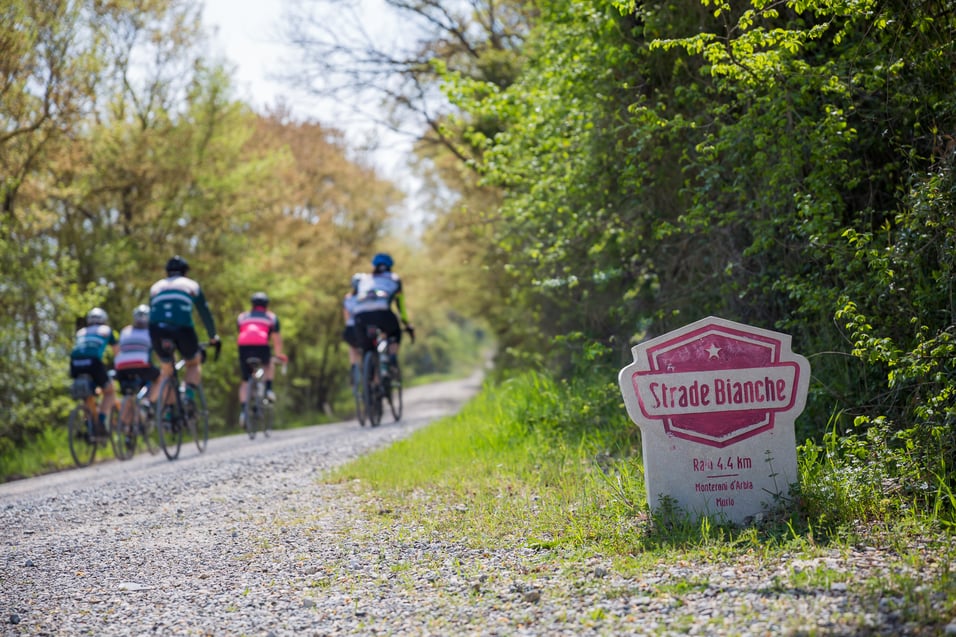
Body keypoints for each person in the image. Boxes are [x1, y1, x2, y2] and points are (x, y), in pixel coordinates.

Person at [145, 255, 219, 409]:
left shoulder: (155, 287)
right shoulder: (192, 285)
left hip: (156, 329)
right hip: (182, 328)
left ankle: (169, 412)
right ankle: (188, 395)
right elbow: (204, 313)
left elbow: (151, 312)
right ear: (185, 272)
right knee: (193, 362)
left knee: (167, 371)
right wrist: (212, 336)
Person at [351, 253, 414, 375]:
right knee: (395, 332)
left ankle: (370, 381)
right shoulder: (394, 278)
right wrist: (406, 323)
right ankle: (392, 357)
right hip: (383, 314)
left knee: (367, 347)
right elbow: (400, 305)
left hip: (360, 317)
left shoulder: (364, 279)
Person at [236, 291, 287, 426]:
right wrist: (278, 354)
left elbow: (241, 333)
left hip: (243, 347)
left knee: (245, 381)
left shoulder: (242, 317)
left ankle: (243, 411)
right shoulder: (271, 317)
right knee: (269, 363)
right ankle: (269, 389)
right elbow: (276, 340)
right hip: (261, 346)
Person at [69, 307, 118, 434]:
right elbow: (116, 351)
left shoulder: (81, 332)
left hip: (75, 363)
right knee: (109, 391)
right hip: (93, 362)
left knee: (87, 392)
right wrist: (117, 367)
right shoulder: (106, 330)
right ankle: (100, 421)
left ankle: (89, 421)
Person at [114, 305, 160, 417]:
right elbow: (159, 352)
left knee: (128, 394)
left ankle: (126, 430)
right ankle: (148, 402)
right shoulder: (151, 331)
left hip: (120, 367)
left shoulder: (125, 330)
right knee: (160, 377)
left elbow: (119, 350)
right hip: (141, 365)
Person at [342, 274, 362, 387]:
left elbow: (346, 317)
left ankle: (353, 365)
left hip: (350, 328)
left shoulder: (348, 298)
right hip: (363, 328)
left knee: (352, 347)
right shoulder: (366, 296)